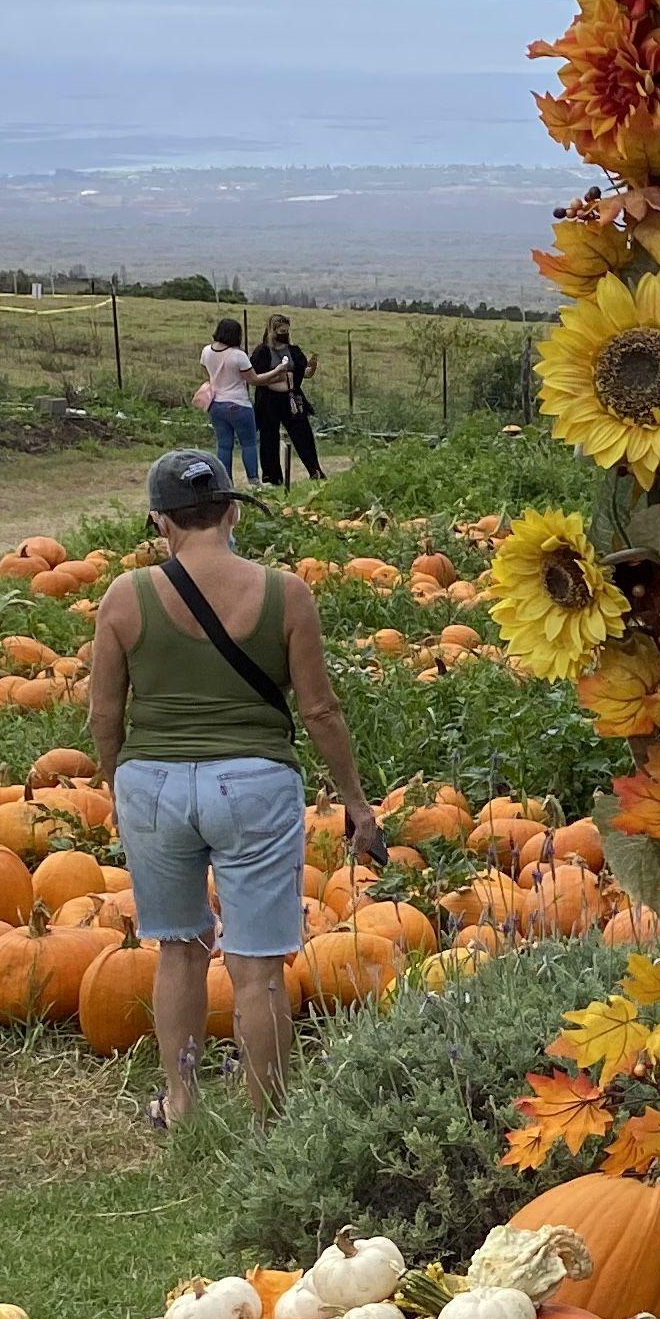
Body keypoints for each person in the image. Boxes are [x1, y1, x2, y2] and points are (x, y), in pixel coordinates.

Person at [88, 447, 387, 1129]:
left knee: (178, 947)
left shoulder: (124, 598)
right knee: (257, 968)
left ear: (160, 522)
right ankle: (267, 1123)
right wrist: (355, 800)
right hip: (254, 782)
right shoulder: (286, 593)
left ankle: (183, 1102)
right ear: (229, 510)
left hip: (153, 782)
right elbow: (319, 710)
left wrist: (120, 788)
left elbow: (105, 715)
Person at [251, 312, 322, 484]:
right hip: (268, 400)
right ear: (272, 331)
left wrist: (311, 368)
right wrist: (278, 375)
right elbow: (256, 375)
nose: (284, 334)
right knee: (269, 436)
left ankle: (315, 470)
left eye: (286, 331)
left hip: (291, 398)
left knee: (303, 434)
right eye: (281, 331)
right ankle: (272, 475)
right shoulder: (262, 352)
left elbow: (303, 373)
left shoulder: (294, 351)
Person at [195, 315, 261, 484]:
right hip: (238, 403)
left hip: (216, 404)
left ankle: (226, 482)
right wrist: (277, 372)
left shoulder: (206, 351)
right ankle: (253, 481)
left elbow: (207, 375)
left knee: (224, 445)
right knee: (249, 443)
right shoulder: (238, 355)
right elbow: (253, 380)